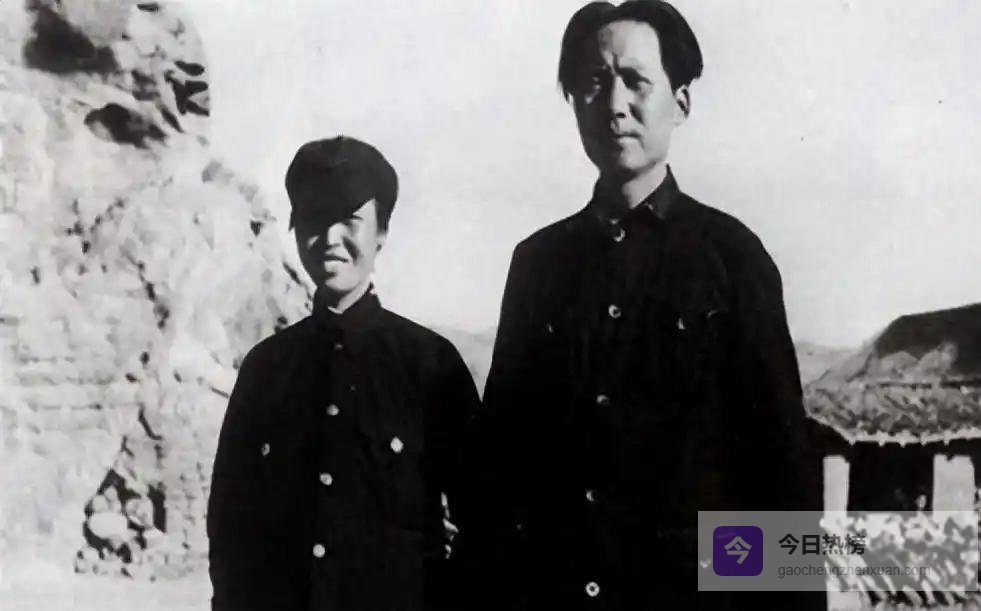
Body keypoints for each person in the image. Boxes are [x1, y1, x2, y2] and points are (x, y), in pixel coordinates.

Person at [479, 1, 825, 609]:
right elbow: (500, 473)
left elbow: (783, 479)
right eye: (594, 82)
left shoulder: (733, 259)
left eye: (636, 81)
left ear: (681, 103)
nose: (614, 104)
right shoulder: (537, 266)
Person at [207, 136, 480, 611]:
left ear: (381, 232)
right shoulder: (265, 369)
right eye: (314, 217)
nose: (331, 237)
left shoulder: (430, 364)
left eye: (349, 220)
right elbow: (229, 529)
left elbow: (483, 521)